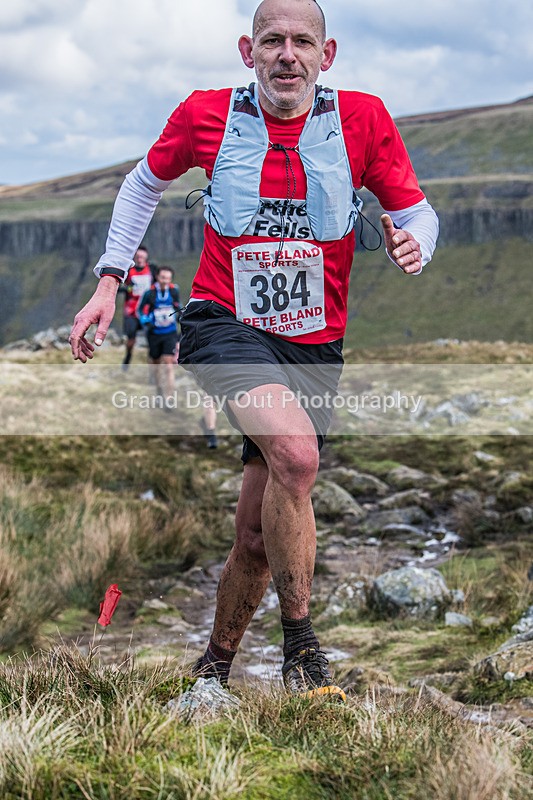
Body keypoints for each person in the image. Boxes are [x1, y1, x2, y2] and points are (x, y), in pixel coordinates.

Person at [70, 0, 439, 701]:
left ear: (325, 58)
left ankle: (212, 668)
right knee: (297, 456)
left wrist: (416, 238)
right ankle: (303, 649)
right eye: (272, 41)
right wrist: (109, 282)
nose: (286, 55)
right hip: (221, 322)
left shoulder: (362, 118)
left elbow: (414, 206)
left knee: (255, 530)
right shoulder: (205, 113)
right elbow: (142, 182)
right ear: (248, 51)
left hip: (314, 343)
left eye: (302, 42)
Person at [138, 266, 182, 403]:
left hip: (170, 332)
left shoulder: (174, 290)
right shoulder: (149, 293)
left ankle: (169, 398)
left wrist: (180, 315)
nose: (165, 281)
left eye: (168, 278)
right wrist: (145, 321)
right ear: (157, 277)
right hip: (154, 333)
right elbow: (139, 310)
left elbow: (177, 305)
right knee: (156, 364)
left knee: (169, 365)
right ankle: (159, 391)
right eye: (163, 278)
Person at [121, 245, 153, 369]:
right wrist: (128, 288)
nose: (140, 259)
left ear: (146, 257)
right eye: (138, 256)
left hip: (146, 311)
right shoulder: (129, 271)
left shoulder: (151, 269)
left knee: (151, 340)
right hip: (131, 311)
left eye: (142, 257)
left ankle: (152, 365)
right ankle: (128, 357)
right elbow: (119, 287)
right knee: (131, 340)